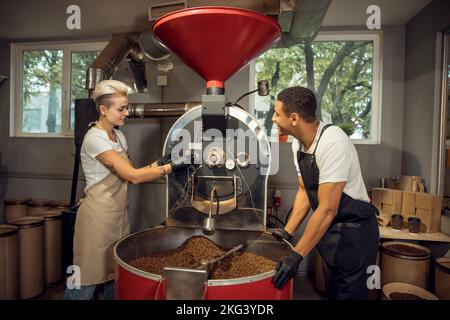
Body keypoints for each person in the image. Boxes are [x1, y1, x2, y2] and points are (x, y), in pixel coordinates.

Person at [64, 80, 186, 300]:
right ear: (103, 109)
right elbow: (133, 177)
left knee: (115, 279)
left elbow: (131, 172)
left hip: (118, 219)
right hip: (96, 222)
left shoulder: (119, 136)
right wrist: (170, 168)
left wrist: (162, 162)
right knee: (84, 283)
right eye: (121, 109)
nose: (126, 113)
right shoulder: (94, 139)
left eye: (126, 107)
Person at [270, 86, 379, 300]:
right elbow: (305, 190)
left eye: (277, 113)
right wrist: (287, 232)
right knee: (333, 293)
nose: (273, 118)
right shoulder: (298, 143)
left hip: (354, 233)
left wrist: (296, 255)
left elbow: (328, 209)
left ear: (294, 118)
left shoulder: (333, 142)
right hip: (332, 233)